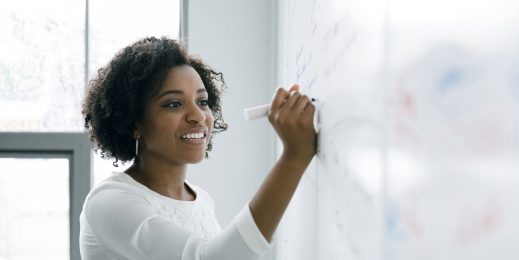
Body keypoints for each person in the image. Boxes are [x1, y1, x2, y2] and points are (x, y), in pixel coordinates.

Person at [79, 36, 316, 260]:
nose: (198, 116)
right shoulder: (110, 202)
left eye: (202, 102)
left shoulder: (201, 200)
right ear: (133, 123)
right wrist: (294, 157)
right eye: (173, 104)